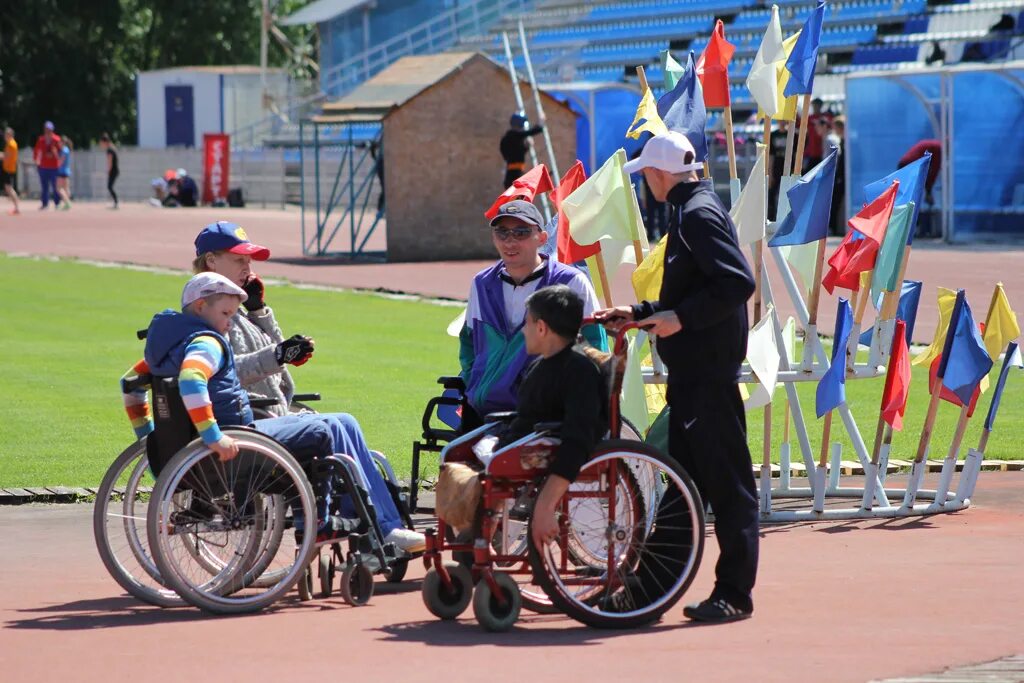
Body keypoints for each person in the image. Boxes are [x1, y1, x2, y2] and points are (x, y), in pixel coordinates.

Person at [596, 131, 758, 624]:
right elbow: (697, 287)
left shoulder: (695, 214)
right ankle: (647, 589)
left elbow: (737, 281)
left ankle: (733, 594)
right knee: (682, 491)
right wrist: (642, 312)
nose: (645, 181)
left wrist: (680, 318)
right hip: (695, 376)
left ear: (661, 173)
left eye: (646, 172)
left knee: (727, 489)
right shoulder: (693, 208)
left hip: (706, 377)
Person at [191, 221, 425, 552]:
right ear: (212, 262)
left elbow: (278, 374)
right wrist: (277, 354)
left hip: (269, 413)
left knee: (346, 422)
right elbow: (227, 371)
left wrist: (259, 312)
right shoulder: (209, 311)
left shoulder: (234, 309)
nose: (248, 267)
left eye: (249, 261)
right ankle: (380, 528)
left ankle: (381, 524)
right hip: (247, 422)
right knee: (334, 426)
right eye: (239, 260)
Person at [459, 200, 604, 432]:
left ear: (543, 237)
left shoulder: (571, 282)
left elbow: (594, 347)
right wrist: (477, 382)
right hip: (483, 410)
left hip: (542, 412)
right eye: (502, 232)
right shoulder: (481, 283)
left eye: (521, 232)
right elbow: (467, 344)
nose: (510, 241)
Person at [494, 285, 607, 551]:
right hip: (520, 442)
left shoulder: (580, 372)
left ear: (542, 328)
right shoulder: (541, 366)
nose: (523, 330)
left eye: (527, 323)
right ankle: (475, 534)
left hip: (543, 450)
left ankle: (478, 534)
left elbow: (578, 437)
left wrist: (545, 504)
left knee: (478, 473)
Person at [898, 139, 942, 238]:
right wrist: (929, 192)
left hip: (904, 164)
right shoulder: (939, 149)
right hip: (911, 165)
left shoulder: (933, 145)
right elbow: (934, 170)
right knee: (912, 200)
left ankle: (909, 229)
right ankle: (914, 229)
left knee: (908, 199)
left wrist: (928, 190)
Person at [500, 112, 545, 188]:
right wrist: (541, 122)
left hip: (512, 173)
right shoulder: (515, 135)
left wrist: (527, 147)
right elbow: (532, 131)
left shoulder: (508, 138)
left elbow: (516, 153)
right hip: (514, 174)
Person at [33, 121, 62, 210]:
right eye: (46, 129)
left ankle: (57, 203)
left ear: (52, 130)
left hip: (54, 167)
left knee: (55, 186)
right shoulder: (41, 139)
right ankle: (45, 203)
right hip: (43, 166)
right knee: (44, 186)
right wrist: (36, 160)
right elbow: (36, 151)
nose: (47, 131)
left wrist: (55, 153)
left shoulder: (57, 139)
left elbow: (61, 152)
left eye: (49, 129)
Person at [829, 117, 846, 235]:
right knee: (835, 202)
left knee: (835, 202)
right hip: (841, 175)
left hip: (843, 176)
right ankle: (834, 228)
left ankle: (834, 228)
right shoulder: (843, 141)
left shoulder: (846, 141)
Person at [1, 127, 20, 215]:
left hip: (9, 169)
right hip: (8, 168)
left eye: (6, 134)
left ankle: (16, 207)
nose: (4, 136)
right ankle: (16, 207)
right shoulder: (10, 144)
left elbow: (6, 156)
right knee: (8, 188)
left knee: (9, 188)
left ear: (10, 135)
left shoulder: (11, 144)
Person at [100, 134, 119, 209]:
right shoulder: (111, 148)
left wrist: (108, 171)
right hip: (115, 170)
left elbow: (110, 161)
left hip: (113, 171)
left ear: (105, 142)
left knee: (110, 187)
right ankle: (115, 202)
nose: (101, 144)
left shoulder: (109, 150)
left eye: (102, 142)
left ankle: (116, 202)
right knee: (110, 187)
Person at [56, 136, 73, 210]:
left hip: (62, 171)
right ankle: (67, 202)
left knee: (59, 188)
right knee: (66, 188)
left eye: (59, 142)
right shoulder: (67, 150)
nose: (58, 144)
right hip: (66, 171)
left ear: (62, 142)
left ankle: (67, 202)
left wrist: (55, 155)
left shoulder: (64, 150)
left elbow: (60, 161)